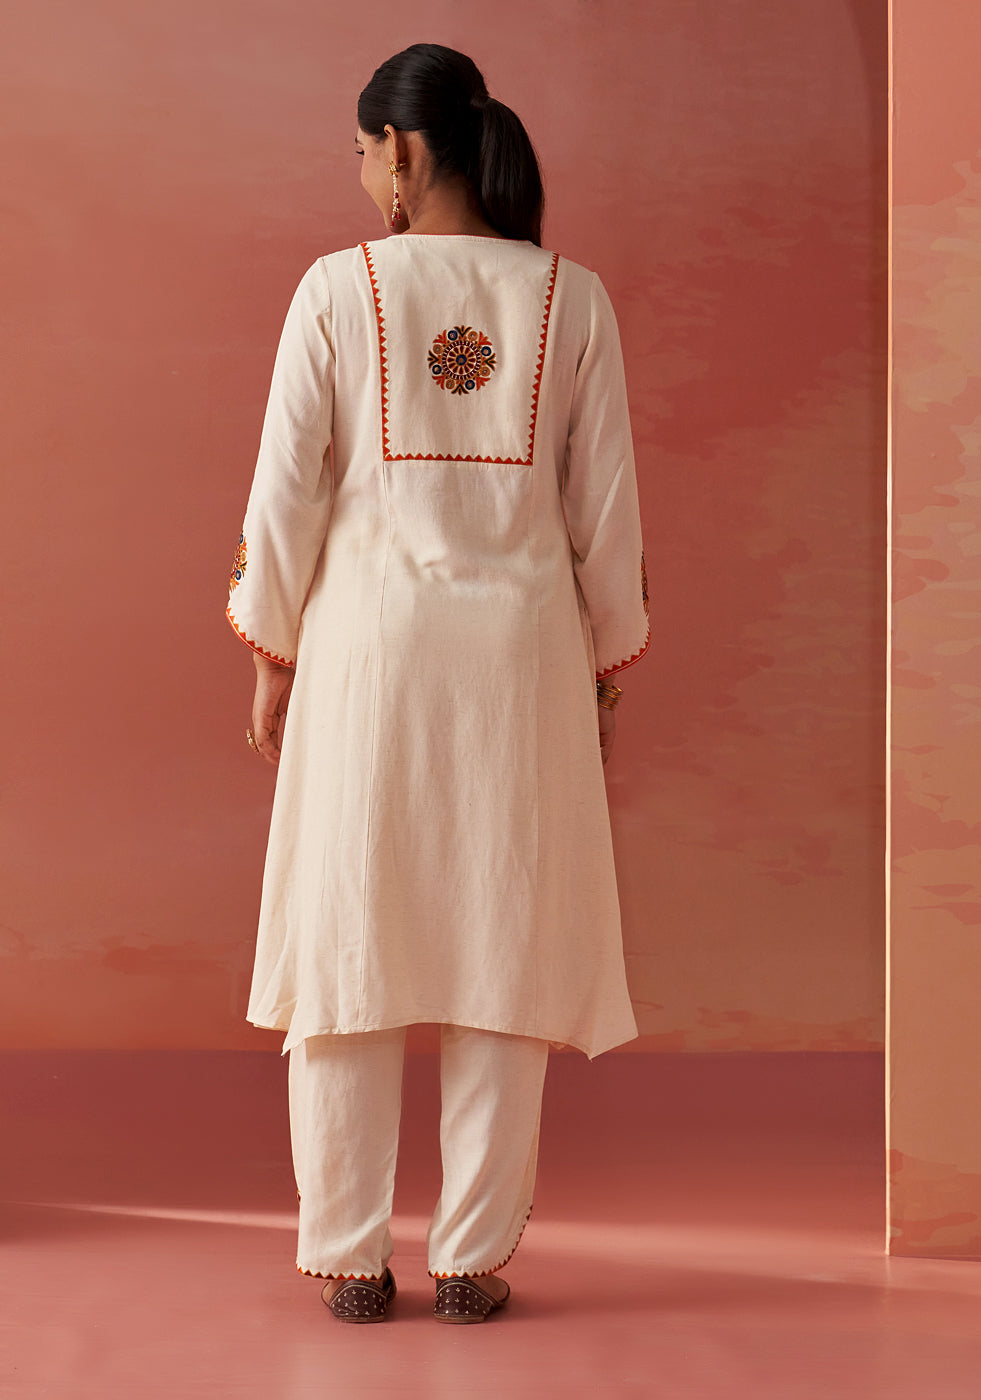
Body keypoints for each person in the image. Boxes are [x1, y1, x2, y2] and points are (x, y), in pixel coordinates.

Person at [225, 43, 650, 1324]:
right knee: (500, 939)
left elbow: (284, 494)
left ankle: (351, 1255)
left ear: (402, 151)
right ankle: (470, 1257)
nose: (363, 175)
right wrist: (605, 669)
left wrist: (271, 650)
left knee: (351, 940)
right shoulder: (573, 299)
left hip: (367, 662)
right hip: (520, 668)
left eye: (364, 152)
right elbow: (608, 519)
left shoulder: (335, 289)